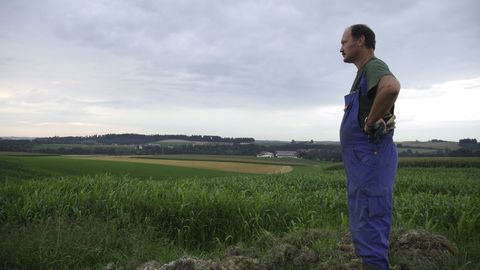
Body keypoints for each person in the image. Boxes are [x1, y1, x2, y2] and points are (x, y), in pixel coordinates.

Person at [339, 24, 400, 270]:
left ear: (360, 40)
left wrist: (372, 121)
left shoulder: (374, 66)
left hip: (370, 159)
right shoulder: (362, 75)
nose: (340, 47)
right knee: (363, 217)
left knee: (372, 216)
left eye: (344, 42)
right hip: (362, 164)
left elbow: (392, 87)